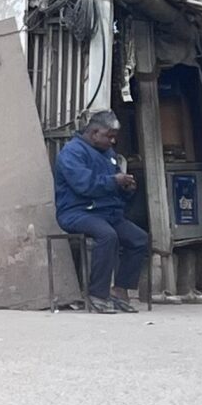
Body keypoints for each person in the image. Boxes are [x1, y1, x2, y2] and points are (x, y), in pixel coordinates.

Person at [53, 110, 148, 313]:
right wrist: (114, 181)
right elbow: (84, 185)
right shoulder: (72, 153)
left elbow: (113, 191)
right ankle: (97, 294)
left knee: (139, 239)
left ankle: (120, 290)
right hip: (77, 212)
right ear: (94, 132)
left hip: (105, 213)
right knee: (107, 236)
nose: (112, 141)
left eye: (114, 137)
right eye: (109, 136)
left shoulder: (108, 154)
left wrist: (127, 189)